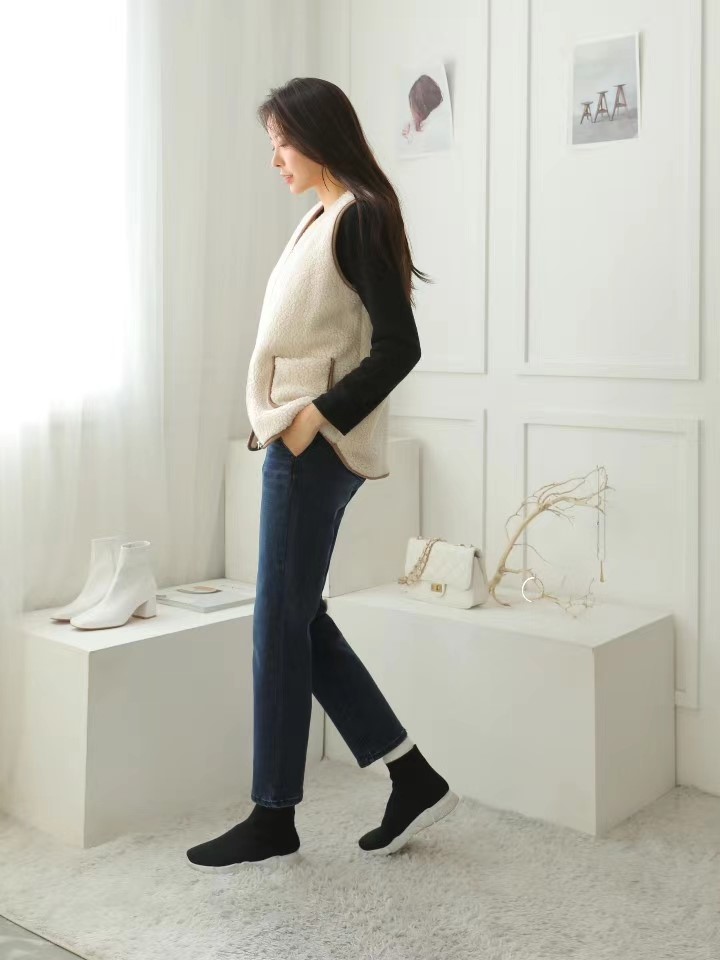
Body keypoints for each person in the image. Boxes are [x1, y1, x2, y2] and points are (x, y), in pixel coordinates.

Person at [187, 78, 459, 873]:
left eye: (281, 142)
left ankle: (274, 816)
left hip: (312, 445)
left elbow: (400, 346)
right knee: (297, 618)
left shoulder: (358, 215)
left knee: (279, 623)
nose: (275, 158)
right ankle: (412, 775)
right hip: (293, 440)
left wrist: (318, 417)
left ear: (315, 135)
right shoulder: (323, 215)